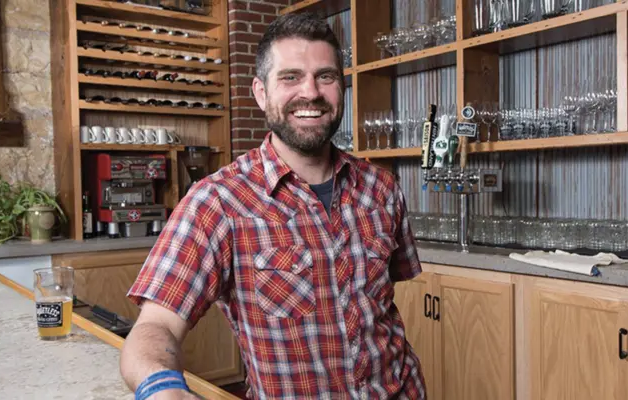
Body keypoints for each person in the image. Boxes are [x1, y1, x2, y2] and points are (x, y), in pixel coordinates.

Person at [120, 12, 426, 400]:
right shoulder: (217, 202)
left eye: (326, 76)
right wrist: (162, 388)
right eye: (291, 77)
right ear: (261, 92)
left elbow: (380, 309)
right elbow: (155, 325)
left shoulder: (380, 188)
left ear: (341, 88)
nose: (311, 92)